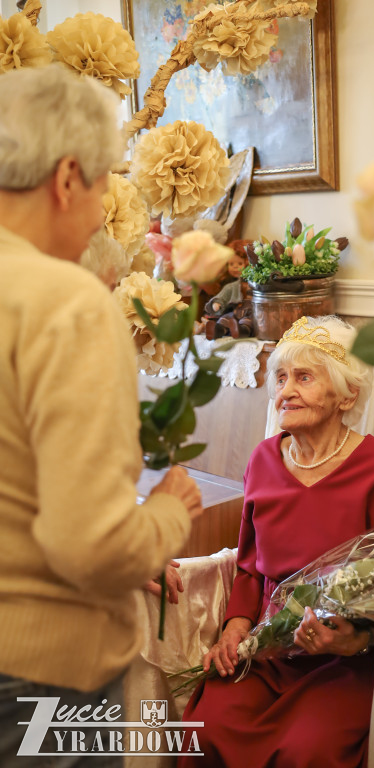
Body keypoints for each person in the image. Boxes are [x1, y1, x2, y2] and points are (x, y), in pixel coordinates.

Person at [0, 65, 202, 764]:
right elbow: (90, 547)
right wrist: (167, 513)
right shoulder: (64, 301)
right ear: (66, 179)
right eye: (105, 183)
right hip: (37, 677)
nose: (100, 215)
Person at [179, 315, 374, 768]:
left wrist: (354, 640)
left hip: (340, 660)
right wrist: (235, 628)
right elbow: (248, 567)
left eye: (304, 377)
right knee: (205, 729)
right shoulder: (263, 459)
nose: (285, 390)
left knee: (308, 750)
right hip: (267, 650)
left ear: (346, 395)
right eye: (281, 377)